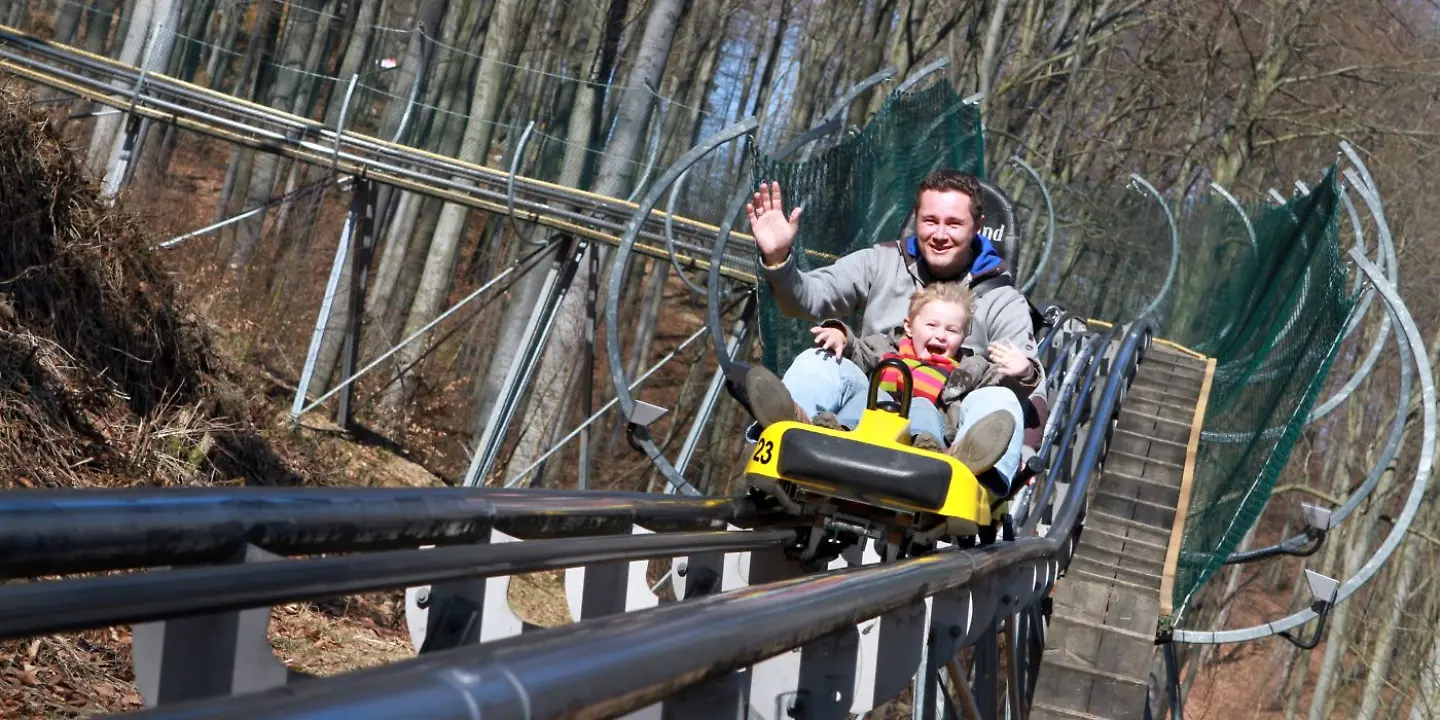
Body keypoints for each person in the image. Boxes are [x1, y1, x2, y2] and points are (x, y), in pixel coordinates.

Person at [739, 168, 1042, 494]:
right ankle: (790, 427)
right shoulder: (882, 262)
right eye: (930, 221)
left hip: (944, 420)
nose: (940, 234)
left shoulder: (1002, 300)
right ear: (916, 218)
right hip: (871, 403)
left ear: (977, 227)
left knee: (999, 398)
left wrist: (1023, 389)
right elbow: (807, 298)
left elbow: (1029, 385)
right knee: (820, 359)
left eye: (954, 223)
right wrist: (778, 258)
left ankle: (973, 474)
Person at [748, 281, 1041, 477]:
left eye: (952, 330)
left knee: (923, 408)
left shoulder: (967, 368)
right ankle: (817, 427)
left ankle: (934, 452)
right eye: (932, 325)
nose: (941, 335)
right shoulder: (886, 349)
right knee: (862, 396)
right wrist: (839, 333)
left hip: (924, 425)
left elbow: (999, 386)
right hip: (872, 418)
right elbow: (857, 350)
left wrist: (1023, 371)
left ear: (964, 337)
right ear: (909, 326)